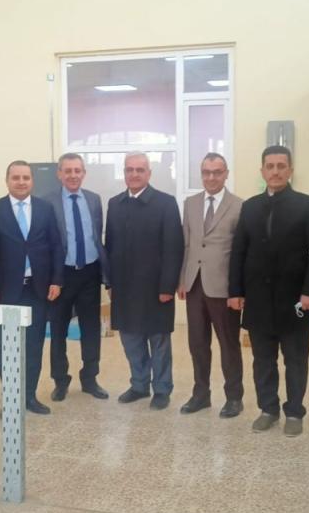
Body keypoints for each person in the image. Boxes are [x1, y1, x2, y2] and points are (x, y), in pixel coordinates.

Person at [229, 145, 309, 436]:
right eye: (270, 166)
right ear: (262, 171)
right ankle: (268, 409)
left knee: (296, 360)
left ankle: (294, 412)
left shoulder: (308, 204)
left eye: (281, 166)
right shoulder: (250, 206)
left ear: (290, 170)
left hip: (295, 300)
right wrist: (235, 291)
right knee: (262, 360)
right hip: (258, 299)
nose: (275, 171)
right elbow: (239, 251)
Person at [0, 161, 63, 414]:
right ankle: (11, 399)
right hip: (6, 291)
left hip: (37, 289)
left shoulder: (45, 209)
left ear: (32, 181)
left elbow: (56, 246)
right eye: (16, 177)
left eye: (26, 177)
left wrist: (57, 280)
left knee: (34, 345)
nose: (21, 182)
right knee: (8, 348)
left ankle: (29, 396)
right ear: (7, 180)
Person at [105, 152, 184, 410]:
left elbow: (174, 247)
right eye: (130, 169)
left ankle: (162, 389)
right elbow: (110, 246)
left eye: (140, 170)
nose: (134, 174)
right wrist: (110, 283)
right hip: (124, 287)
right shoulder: (115, 204)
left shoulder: (166, 203)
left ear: (149, 173)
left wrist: (167, 286)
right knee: (131, 338)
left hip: (156, 288)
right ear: (124, 173)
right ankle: (139, 385)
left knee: (158, 341)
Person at [178, 153, 244, 418]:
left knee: (229, 345)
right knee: (197, 343)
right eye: (206, 172)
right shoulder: (190, 203)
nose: (211, 177)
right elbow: (186, 244)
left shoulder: (238, 206)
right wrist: (182, 280)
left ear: (226, 174)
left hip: (224, 289)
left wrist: (238, 291)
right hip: (194, 285)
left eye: (217, 172)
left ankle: (234, 397)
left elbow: (241, 252)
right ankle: (201, 394)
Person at [46, 153, 110, 402]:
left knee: (91, 329)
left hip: (90, 273)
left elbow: (97, 236)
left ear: (84, 173)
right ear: (59, 174)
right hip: (61, 275)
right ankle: (60, 380)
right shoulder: (47, 201)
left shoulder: (94, 199)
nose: (73, 175)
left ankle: (90, 378)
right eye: (68, 171)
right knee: (58, 330)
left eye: (77, 170)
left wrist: (106, 275)